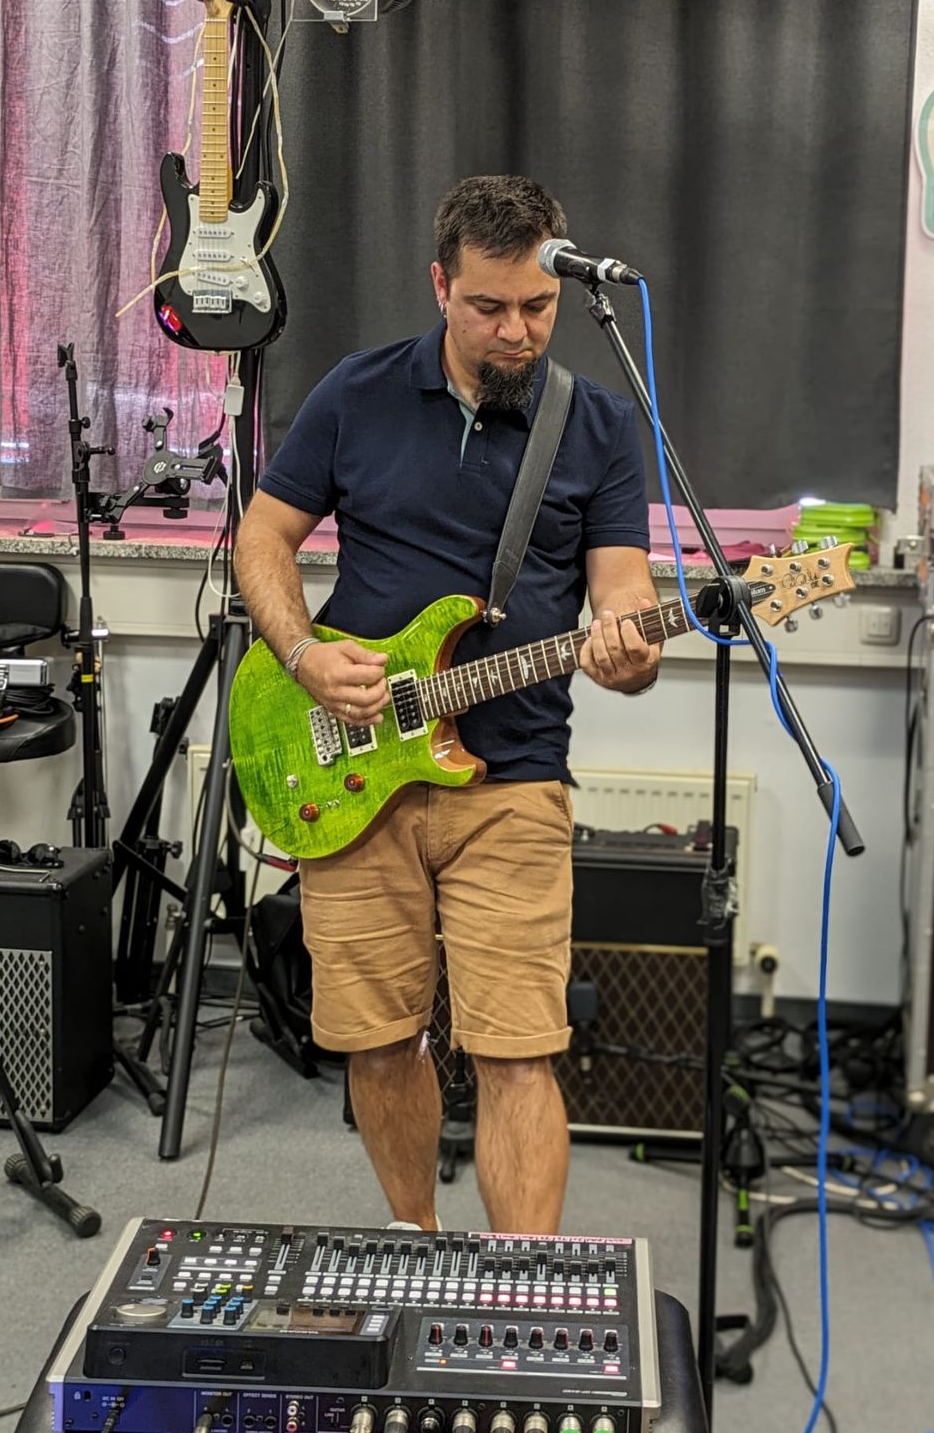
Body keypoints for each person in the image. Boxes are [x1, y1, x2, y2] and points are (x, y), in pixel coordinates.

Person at [234, 175, 660, 1235]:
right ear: (440, 285)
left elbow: (621, 593)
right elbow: (263, 537)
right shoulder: (357, 391)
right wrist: (301, 656)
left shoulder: (600, 425)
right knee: (379, 1040)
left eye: (537, 306)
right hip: (352, 771)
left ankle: (519, 1297)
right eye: (487, 306)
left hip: (512, 778)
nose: (516, 330)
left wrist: (627, 652)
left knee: (519, 1049)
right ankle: (415, 1240)